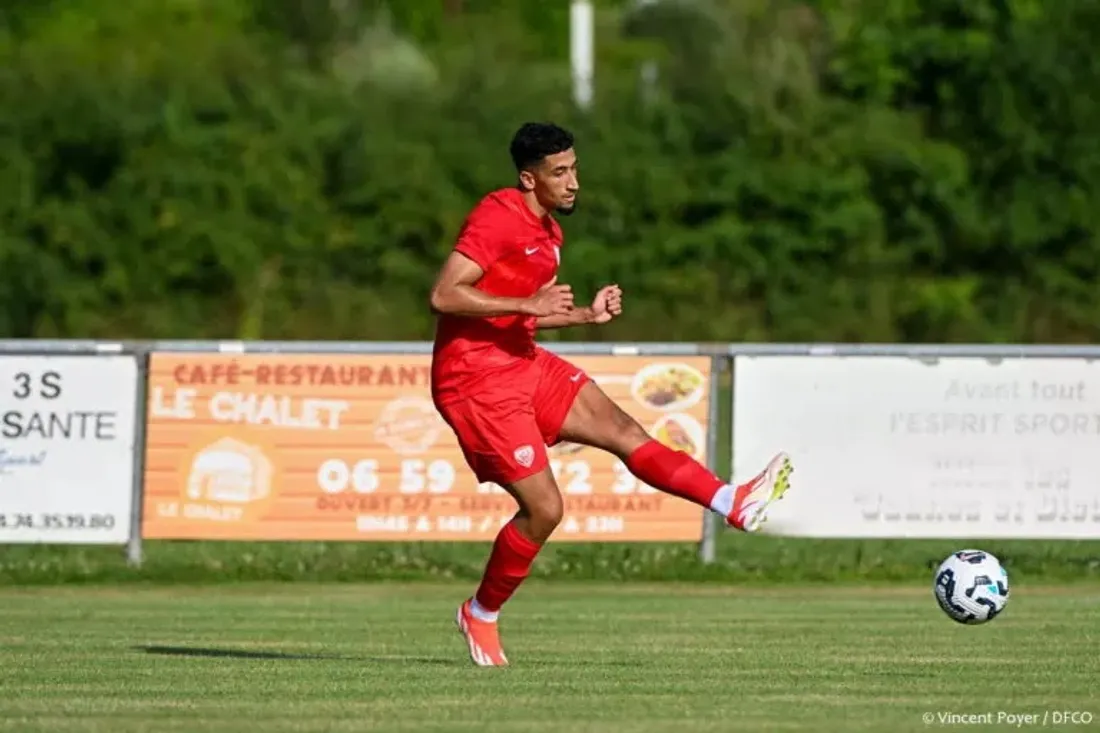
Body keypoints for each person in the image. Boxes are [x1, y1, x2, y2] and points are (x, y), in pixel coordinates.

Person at [429, 121, 793, 667]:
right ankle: (480, 614)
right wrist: (530, 306)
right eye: (560, 172)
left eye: (574, 168)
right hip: (474, 381)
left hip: (521, 362)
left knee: (625, 432)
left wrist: (580, 315)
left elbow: (519, 317)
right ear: (529, 178)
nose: (574, 182)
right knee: (546, 509)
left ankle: (732, 502)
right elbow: (444, 294)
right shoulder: (498, 215)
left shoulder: (550, 233)